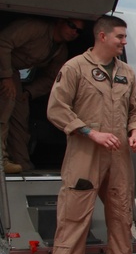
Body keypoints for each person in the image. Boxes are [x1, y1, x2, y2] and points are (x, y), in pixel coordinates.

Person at [46, 15, 136, 254]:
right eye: (120, 37)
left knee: (121, 221)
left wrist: (134, 133)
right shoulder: (75, 68)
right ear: (102, 36)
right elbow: (56, 108)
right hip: (84, 156)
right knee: (74, 223)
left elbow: (135, 111)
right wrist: (90, 132)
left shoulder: (126, 73)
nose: (124, 42)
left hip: (119, 158)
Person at [0, 16, 85, 173]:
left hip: (12, 73)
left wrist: (29, 91)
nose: (74, 32)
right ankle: (1, 159)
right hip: (5, 68)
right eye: (72, 25)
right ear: (59, 22)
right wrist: (5, 76)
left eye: (79, 31)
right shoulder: (35, 28)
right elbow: (3, 42)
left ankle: (22, 163)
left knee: (21, 115)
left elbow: (52, 77)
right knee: (5, 108)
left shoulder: (60, 50)